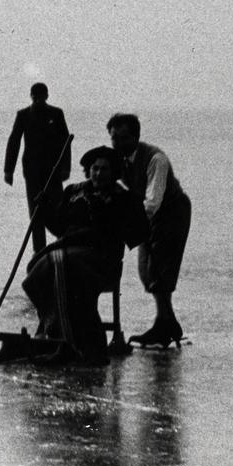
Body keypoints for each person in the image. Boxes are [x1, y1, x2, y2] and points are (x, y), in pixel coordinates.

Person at [22, 145, 149, 365]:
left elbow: (137, 233)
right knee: (40, 267)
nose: (99, 174)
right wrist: (43, 210)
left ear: (114, 172)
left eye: (105, 170)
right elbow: (59, 227)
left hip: (101, 259)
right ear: (88, 170)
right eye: (95, 169)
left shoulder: (122, 199)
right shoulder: (73, 192)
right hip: (68, 251)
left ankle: (74, 344)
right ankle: (54, 333)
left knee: (62, 267)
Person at [107, 112, 192, 347]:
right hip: (145, 214)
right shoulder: (117, 160)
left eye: (124, 138)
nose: (118, 144)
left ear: (136, 136)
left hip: (172, 210)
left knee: (160, 268)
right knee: (146, 270)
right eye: (114, 138)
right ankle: (167, 322)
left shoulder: (156, 159)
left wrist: (129, 226)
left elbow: (153, 201)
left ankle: (164, 325)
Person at [4, 83, 72, 256]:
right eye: (35, 96)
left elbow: (65, 141)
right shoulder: (24, 115)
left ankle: (62, 242)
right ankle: (38, 250)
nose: (38, 100)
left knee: (58, 207)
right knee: (35, 211)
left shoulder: (56, 114)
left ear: (47, 96)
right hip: (32, 171)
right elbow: (14, 141)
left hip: (53, 170)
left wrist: (65, 168)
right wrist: (8, 170)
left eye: (41, 96)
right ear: (31, 96)